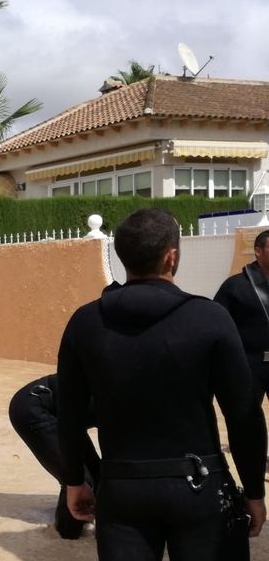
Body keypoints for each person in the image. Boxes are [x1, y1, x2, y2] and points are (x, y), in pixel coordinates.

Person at [58, 208, 267, 560]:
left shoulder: (85, 323)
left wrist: (74, 479)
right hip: (198, 487)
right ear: (171, 256)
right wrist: (253, 490)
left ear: (123, 257)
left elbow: (70, 411)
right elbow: (243, 414)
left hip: (122, 490)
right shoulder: (209, 318)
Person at [8, 373, 99, 539]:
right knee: (82, 479)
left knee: (99, 474)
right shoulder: (130, 398)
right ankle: (67, 541)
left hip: (64, 417)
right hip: (34, 408)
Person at [214, 229, 269, 411]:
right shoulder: (235, 286)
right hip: (249, 365)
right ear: (258, 251)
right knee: (247, 422)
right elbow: (218, 326)